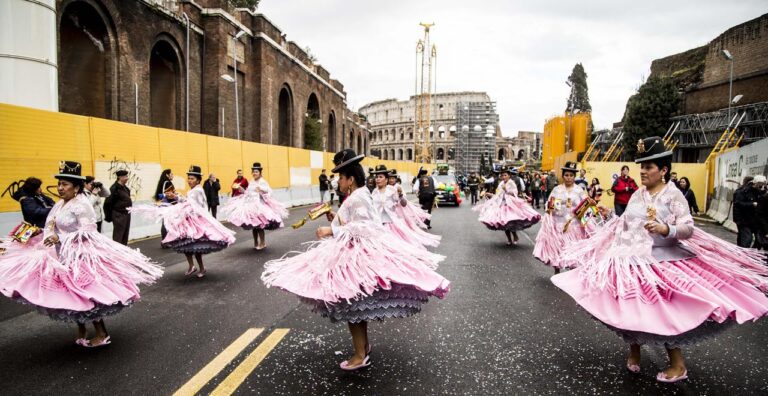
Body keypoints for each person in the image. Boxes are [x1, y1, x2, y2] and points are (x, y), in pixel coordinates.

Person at [552, 137, 768, 383]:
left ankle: (678, 364)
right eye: (641, 166)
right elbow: (627, 222)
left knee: (661, 313)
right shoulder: (638, 194)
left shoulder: (673, 195)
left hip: (662, 262)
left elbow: (688, 227)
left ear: (663, 170)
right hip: (631, 260)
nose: (642, 171)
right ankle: (634, 351)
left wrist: (667, 229)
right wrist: (610, 214)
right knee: (628, 309)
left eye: (648, 167)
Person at [261, 149, 450, 371]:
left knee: (351, 304)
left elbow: (366, 227)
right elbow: (353, 221)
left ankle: (360, 355)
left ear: (350, 179)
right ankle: (364, 347)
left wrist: (331, 232)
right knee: (354, 305)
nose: (337, 181)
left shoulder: (359, 196)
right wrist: (335, 220)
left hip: (357, 256)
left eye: (340, 177)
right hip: (352, 254)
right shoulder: (356, 196)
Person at [0, 161, 162, 347]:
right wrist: (40, 234)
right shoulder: (60, 204)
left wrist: (61, 239)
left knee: (87, 294)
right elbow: (51, 225)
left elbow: (88, 232)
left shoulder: (82, 204)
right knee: (72, 295)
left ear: (76, 187)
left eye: (65, 184)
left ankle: (102, 333)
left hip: (81, 257)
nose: (60, 188)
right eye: (59, 184)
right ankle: (82, 328)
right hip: (62, 256)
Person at [136, 166, 236, 278]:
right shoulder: (193, 190)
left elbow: (193, 205)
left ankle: (200, 268)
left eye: (192, 178)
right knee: (186, 243)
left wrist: (176, 198)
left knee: (194, 246)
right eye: (188, 178)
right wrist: (176, 196)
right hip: (190, 220)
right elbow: (188, 202)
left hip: (196, 221)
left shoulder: (197, 190)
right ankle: (193, 266)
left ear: (198, 180)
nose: (189, 180)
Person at [533, 161, 591, 274]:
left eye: (571, 175)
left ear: (574, 177)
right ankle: (557, 271)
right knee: (558, 249)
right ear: (563, 176)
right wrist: (559, 205)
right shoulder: (557, 189)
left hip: (574, 226)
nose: (568, 178)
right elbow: (550, 205)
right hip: (559, 225)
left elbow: (586, 206)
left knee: (573, 250)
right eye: (566, 175)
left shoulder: (579, 190)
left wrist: (580, 213)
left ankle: (571, 274)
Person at [222, 162, 288, 250]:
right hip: (251, 206)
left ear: (260, 173)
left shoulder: (263, 182)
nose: (254, 173)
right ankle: (256, 242)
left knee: (260, 226)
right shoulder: (252, 182)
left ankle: (263, 243)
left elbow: (270, 192)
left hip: (260, 207)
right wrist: (240, 189)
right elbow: (248, 193)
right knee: (254, 226)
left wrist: (261, 190)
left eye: (256, 172)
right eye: (253, 172)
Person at [372, 165, 440, 249]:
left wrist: (400, 195)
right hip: (377, 225)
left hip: (389, 224)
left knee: (392, 248)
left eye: (380, 177)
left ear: (386, 180)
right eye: (376, 177)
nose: (377, 179)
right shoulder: (374, 192)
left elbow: (404, 204)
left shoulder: (392, 190)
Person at [474, 166, 541, 246]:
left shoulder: (511, 182)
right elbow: (498, 194)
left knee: (510, 222)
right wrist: (490, 194)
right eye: (502, 175)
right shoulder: (501, 183)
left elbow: (515, 192)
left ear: (509, 175)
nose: (504, 177)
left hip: (511, 204)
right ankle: (509, 239)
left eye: (505, 175)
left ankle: (515, 236)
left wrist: (507, 190)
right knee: (504, 223)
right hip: (502, 204)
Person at [106, 169, 132, 245]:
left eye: (127, 176)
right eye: (125, 176)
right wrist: (110, 217)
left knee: (125, 234)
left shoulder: (126, 188)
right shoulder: (114, 188)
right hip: (118, 215)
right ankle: (117, 251)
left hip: (126, 214)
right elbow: (108, 203)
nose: (127, 178)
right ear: (120, 177)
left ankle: (124, 250)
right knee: (118, 235)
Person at [733, 175, 760, 248]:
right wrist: (752, 204)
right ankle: (743, 252)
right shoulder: (741, 192)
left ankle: (741, 250)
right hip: (743, 220)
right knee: (747, 238)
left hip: (751, 220)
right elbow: (738, 204)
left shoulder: (755, 191)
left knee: (757, 238)